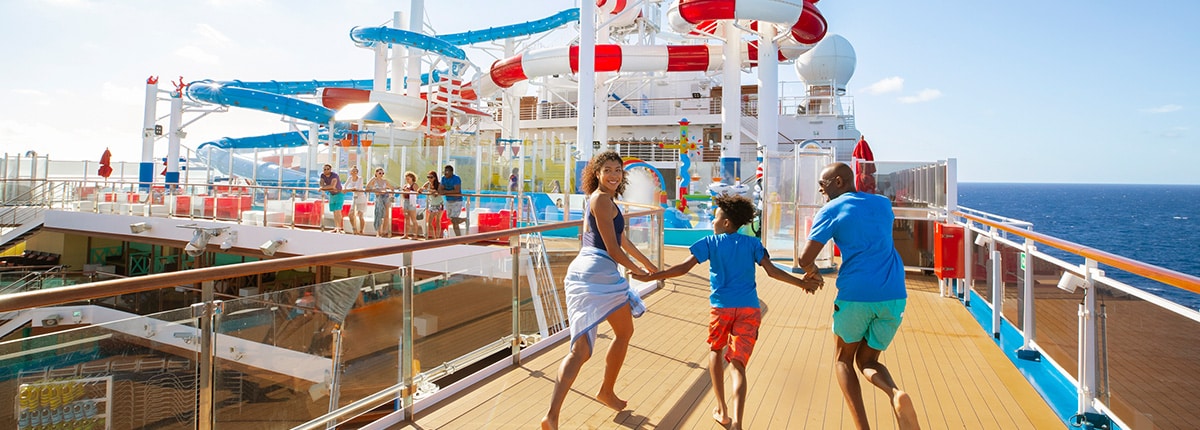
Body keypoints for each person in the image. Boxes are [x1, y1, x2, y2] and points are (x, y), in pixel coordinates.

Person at [634, 194, 819, 430]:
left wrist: (651, 277)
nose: (712, 220)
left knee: (715, 351)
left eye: (715, 217)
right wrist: (802, 284)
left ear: (726, 223)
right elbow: (772, 272)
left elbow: (682, 268)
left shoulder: (710, 242)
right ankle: (739, 424)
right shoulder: (752, 244)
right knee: (738, 365)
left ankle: (722, 410)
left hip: (721, 309)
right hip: (749, 309)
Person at [796, 162, 920, 430]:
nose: (821, 191)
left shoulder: (830, 210)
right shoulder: (882, 204)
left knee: (843, 360)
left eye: (823, 185)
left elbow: (804, 257)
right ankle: (895, 394)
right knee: (869, 361)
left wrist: (812, 272)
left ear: (839, 182)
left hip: (856, 294)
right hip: (894, 295)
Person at [541, 150, 659, 430]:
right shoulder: (601, 200)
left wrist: (648, 264)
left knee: (581, 351)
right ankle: (606, 390)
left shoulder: (603, 200)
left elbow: (622, 240)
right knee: (624, 332)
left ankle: (552, 416)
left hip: (584, 271)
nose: (614, 175)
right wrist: (637, 271)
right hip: (598, 272)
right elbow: (612, 248)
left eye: (618, 170)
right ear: (596, 174)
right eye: (608, 170)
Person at [366, 167, 395, 237]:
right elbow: (367, 188)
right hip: (378, 197)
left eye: (382, 173)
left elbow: (392, 188)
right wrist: (375, 190)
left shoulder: (385, 181)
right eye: (380, 173)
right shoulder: (374, 180)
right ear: (376, 173)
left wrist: (390, 194)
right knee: (378, 214)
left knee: (386, 215)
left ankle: (384, 231)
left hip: (386, 197)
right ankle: (378, 231)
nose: (381, 174)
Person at [440, 165, 466, 236]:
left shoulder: (456, 178)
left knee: (454, 220)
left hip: (457, 201)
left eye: (447, 171)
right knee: (452, 220)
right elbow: (441, 189)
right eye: (444, 171)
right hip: (449, 200)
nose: (445, 173)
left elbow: (457, 190)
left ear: (451, 172)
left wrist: (446, 192)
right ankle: (464, 220)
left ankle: (459, 237)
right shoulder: (443, 179)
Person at [318, 164, 345, 233]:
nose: (326, 170)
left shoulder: (334, 175)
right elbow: (321, 184)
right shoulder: (322, 175)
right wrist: (325, 187)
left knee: (338, 211)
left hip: (339, 194)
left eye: (327, 169)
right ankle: (336, 227)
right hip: (332, 194)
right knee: (334, 211)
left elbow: (332, 186)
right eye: (324, 169)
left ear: (330, 170)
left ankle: (339, 228)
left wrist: (323, 188)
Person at [420, 171, 444, 239]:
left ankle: (437, 237)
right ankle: (434, 237)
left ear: (435, 178)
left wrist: (430, 191)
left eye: (431, 177)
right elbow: (421, 189)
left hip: (439, 203)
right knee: (429, 222)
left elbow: (438, 193)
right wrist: (421, 189)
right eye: (428, 177)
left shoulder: (438, 184)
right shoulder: (427, 184)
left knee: (438, 221)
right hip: (432, 204)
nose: (429, 179)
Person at [344, 166, 367, 235]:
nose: (354, 172)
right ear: (350, 172)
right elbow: (345, 186)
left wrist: (347, 190)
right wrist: (345, 189)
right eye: (352, 171)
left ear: (357, 172)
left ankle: (361, 230)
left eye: (355, 171)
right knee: (350, 215)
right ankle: (354, 229)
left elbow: (356, 188)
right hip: (355, 198)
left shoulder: (360, 179)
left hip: (361, 198)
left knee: (360, 215)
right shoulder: (350, 178)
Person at [400, 171, 421, 239]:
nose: (407, 180)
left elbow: (417, 193)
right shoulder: (406, 185)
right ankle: (406, 234)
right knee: (407, 218)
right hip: (406, 201)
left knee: (413, 219)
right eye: (406, 178)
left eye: (408, 178)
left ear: (412, 178)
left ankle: (415, 235)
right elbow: (403, 195)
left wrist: (409, 192)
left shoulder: (414, 185)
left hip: (412, 202)